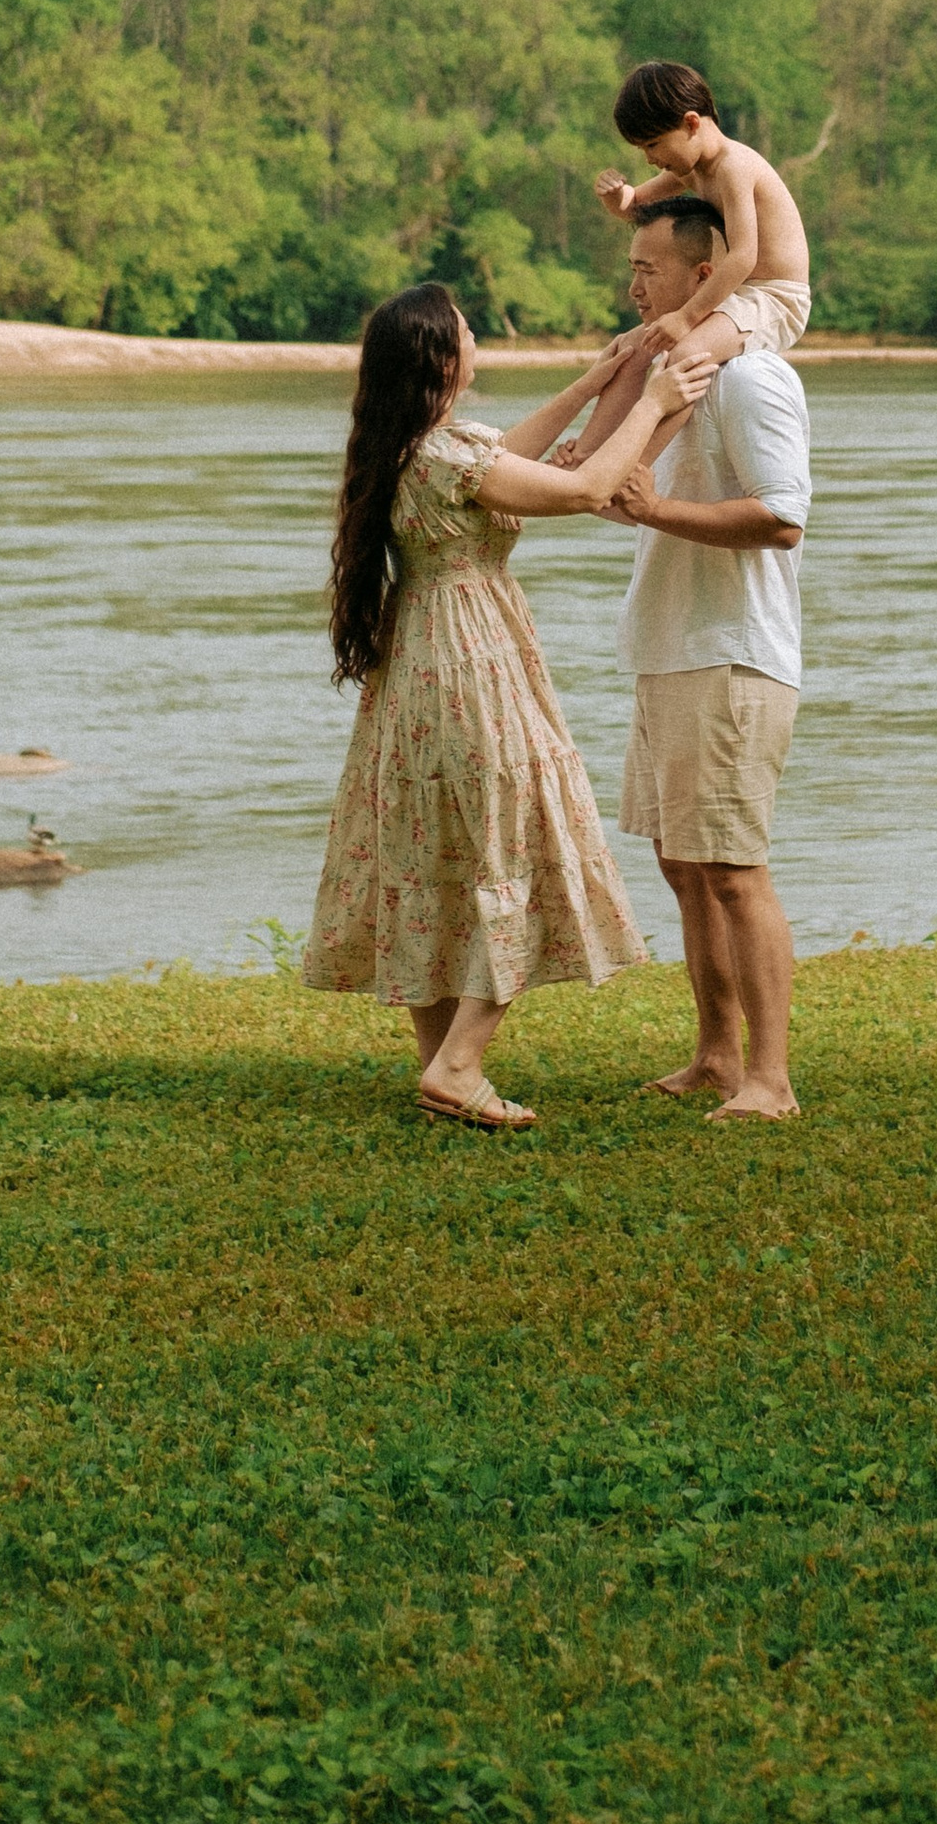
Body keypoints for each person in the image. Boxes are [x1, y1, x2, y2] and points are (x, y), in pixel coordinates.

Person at [302, 282, 707, 1133]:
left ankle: (441, 1066)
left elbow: (509, 457)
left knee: (435, 847)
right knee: (519, 836)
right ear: (443, 357)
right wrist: (655, 400)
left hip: (419, 663)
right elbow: (585, 488)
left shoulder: (412, 446)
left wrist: (594, 382)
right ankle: (459, 1063)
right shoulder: (448, 456)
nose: (476, 336)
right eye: (466, 329)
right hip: (472, 663)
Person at [603, 197, 812, 1124]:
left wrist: (654, 511)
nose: (633, 286)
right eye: (631, 269)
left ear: (705, 278)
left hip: (731, 655)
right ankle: (718, 1055)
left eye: (648, 270)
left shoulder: (752, 378)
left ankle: (772, 1080)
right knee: (683, 865)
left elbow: (781, 517)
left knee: (732, 869)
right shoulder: (679, 377)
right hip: (668, 649)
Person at [563, 62, 812, 471]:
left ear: (691, 123)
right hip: (734, 295)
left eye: (654, 144)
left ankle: (631, 471)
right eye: (642, 150)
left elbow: (744, 256)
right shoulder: (693, 169)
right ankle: (585, 457)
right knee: (630, 350)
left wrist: (686, 317)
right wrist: (614, 197)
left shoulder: (733, 166)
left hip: (774, 298)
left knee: (687, 352)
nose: (650, 159)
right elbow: (635, 206)